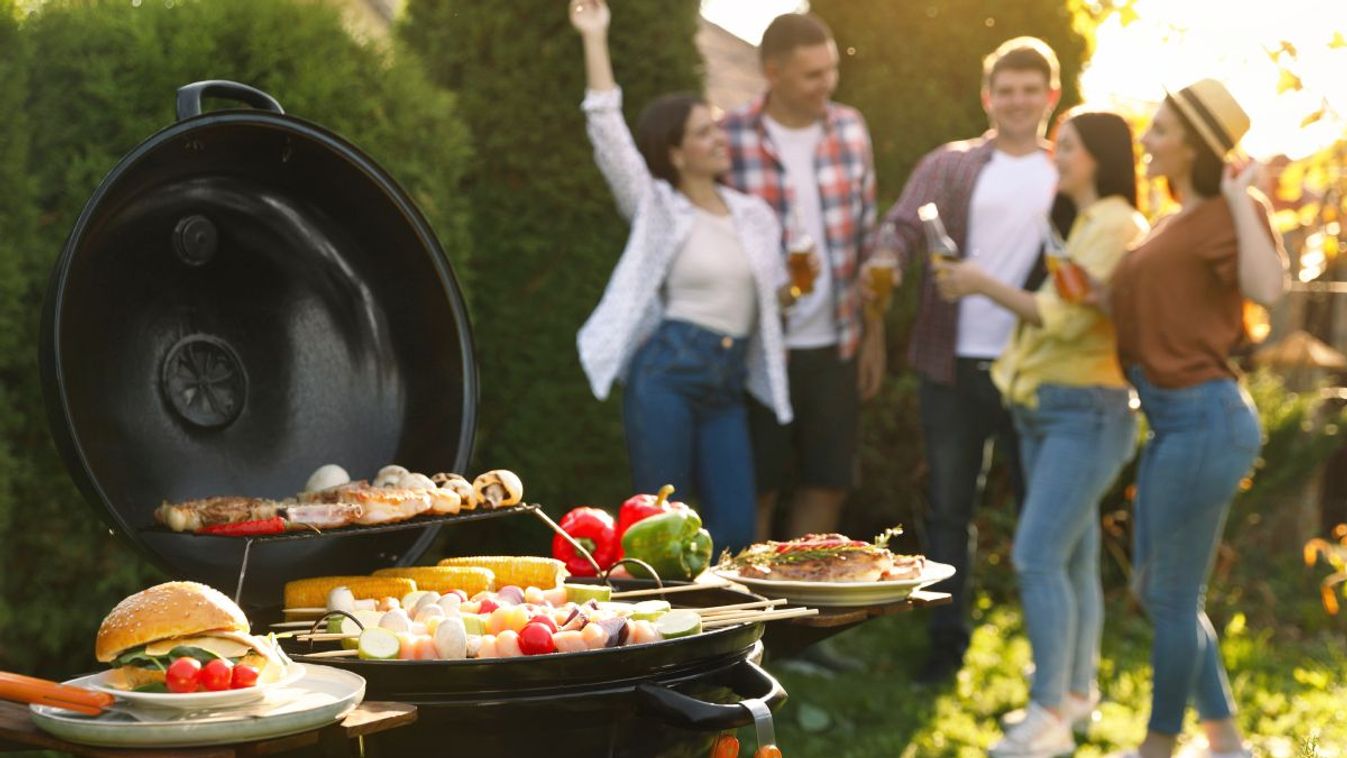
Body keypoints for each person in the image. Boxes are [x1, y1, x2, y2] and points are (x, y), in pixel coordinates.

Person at [936, 109, 1147, 756]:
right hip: (1050, 409)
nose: (1058, 154)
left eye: (1072, 147)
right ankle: (1076, 695)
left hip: (1084, 412)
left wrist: (976, 282)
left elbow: (1055, 318)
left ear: (1101, 157)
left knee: (1035, 556)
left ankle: (1046, 714)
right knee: (1073, 558)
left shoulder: (1114, 222)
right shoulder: (1083, 222)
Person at [569, 0, 799, 554]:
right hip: (668, 373)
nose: (721, 138)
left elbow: (773, 303)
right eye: (704, 132)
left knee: (738, 529)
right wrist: (595, 36)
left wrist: (796, 289)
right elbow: (607, 129)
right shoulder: (659, 208)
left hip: (725, 382)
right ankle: (661, 634)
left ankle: (722, 634)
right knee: (656, 528)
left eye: (718, 127)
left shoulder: (755, 216)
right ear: (675, 153)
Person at [1106, 79, 1286, 758]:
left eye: (1157, 130)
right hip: (1173, 421)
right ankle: (1224, 741)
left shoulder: (1228, 210)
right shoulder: (1172, 217)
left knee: (1170, 594)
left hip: (1205, 420)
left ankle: (1158, 745)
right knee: (1161, 589)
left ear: (1193, 144)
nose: (1146, 142)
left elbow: (1267, 290)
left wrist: (1243, 199)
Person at [875, 36, 1061, 683]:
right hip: (951, 366)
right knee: (951, 509)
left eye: (1028, 91)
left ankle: (1051, 657)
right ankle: (945, 646)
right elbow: (899, 227)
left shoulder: (1066, 170)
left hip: (1035, 370)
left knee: (1044, 514)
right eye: (1004, 91)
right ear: (987, 97)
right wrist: (884, 264)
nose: (1015, 102)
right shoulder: (948, 164)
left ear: (1050, 97)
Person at [719, 12, 884, 543]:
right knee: (758, 488)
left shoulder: (851, 128)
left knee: (827, 482)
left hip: (834, 343)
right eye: (813, 74)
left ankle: (806, 609)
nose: (828, 84)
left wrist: (873, 334)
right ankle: (754, 615)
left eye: (831, 70)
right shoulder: (730, 137)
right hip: (757, 350)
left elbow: (868, 235)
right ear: (773, 72)